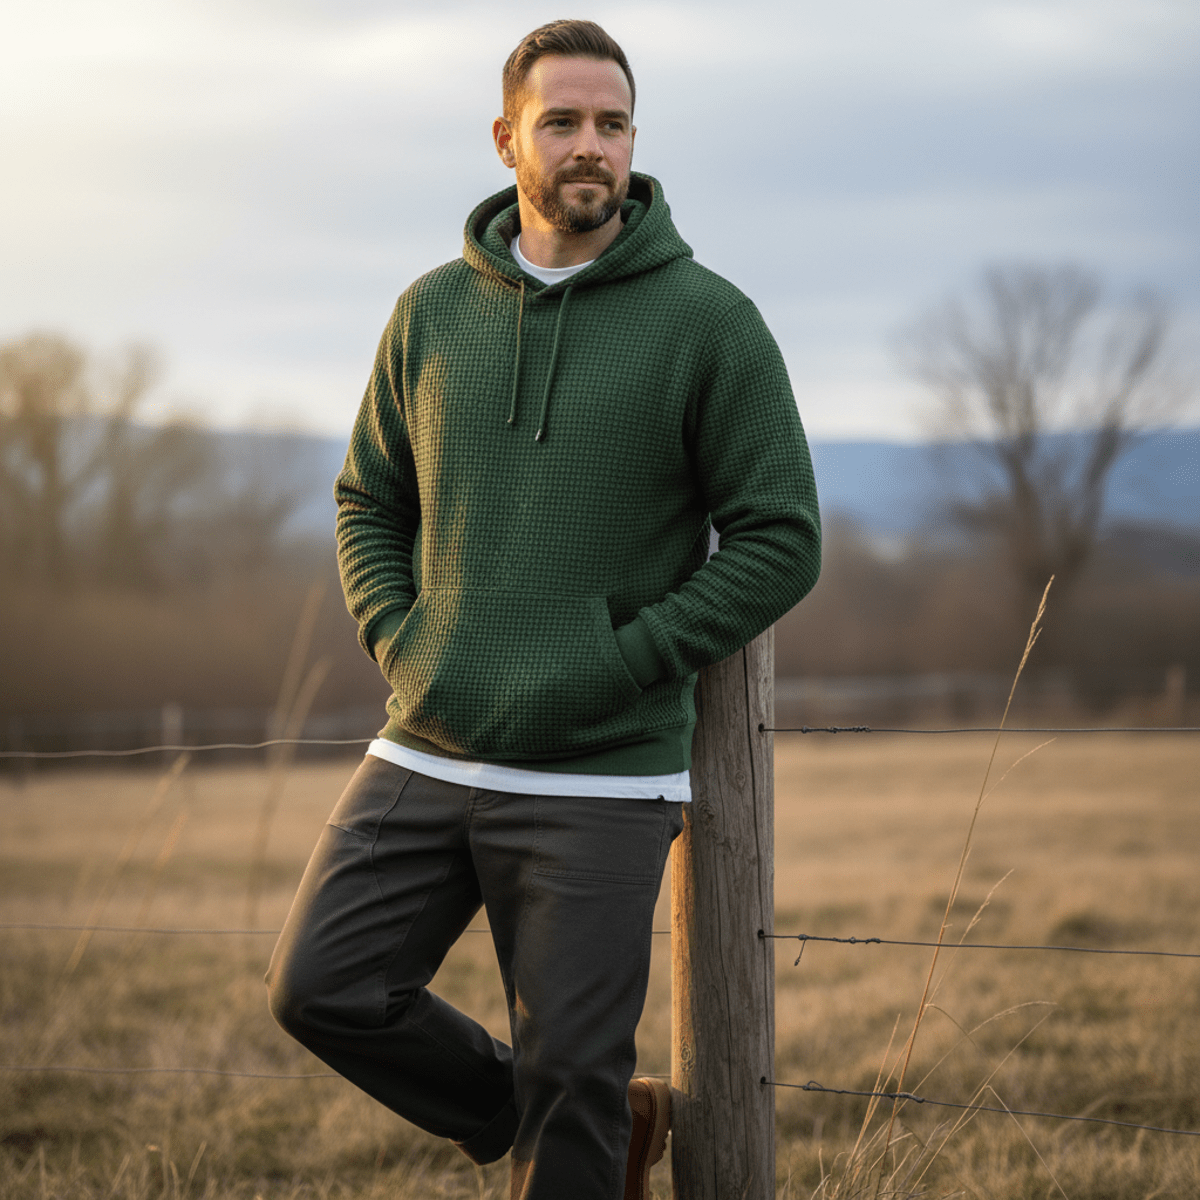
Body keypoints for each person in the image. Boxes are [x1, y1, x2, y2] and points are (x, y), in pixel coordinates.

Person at [266, 18, 820, 1200]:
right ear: (509, 135)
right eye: (562, 121)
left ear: (633, 142)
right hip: (432, 738)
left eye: (612, 125)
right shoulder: (430, 315)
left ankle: (582, 1118)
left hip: (603, 771)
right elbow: (368, 498)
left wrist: (629, 658)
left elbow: (782, 538)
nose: (590, 147)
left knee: (573, 1074)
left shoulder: (708, 321)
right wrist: (401, 641)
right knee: (321, 986)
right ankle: (592, 1119)